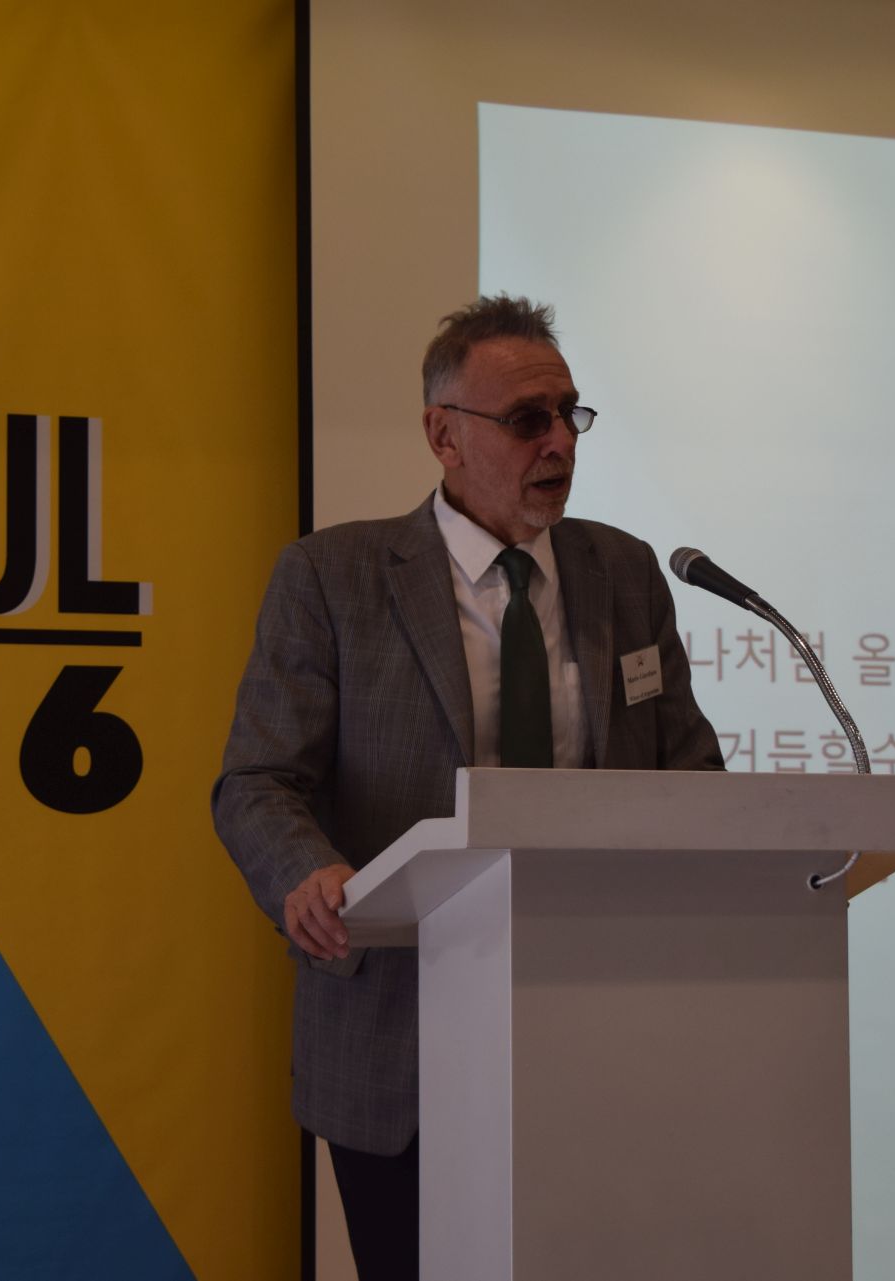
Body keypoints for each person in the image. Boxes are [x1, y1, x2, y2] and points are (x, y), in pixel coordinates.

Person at [213, 295, 722, 1279]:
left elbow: (688, 769)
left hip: (595, 1027)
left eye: (568, 414)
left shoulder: (624, 573)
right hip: (399, 1032)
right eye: (527, 419)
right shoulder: (333, 576)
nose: (558, 441)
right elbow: (258, 779)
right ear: (443, 436)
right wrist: (307, 872)